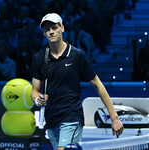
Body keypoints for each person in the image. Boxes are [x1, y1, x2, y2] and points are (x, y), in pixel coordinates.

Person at [30, 13, 124, 150]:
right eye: (47, 29)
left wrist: (114, 117)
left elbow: (98, 85)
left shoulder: (77, 55)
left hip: (72, 117)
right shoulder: (39, 59)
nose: (51, 32)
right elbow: (35, 91)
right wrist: (38, 99)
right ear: (44, 33)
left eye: (54, 28)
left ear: (62, 28)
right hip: (51, 120)